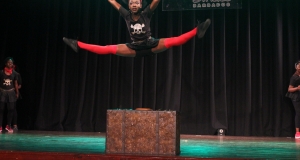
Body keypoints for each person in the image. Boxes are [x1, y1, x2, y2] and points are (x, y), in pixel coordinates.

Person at [63, 0, 211, 57]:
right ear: (129, 5)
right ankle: (77, 44)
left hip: (150, 44)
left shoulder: (146, 13)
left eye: (137, 3)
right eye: (132, 3)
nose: (134, 5)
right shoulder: (126, 15)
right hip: (133, 47)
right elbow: (113, 2)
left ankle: (198, 30)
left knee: (174, 41)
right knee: (106, 49)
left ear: (141, 5)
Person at [0, 57, 19, 133]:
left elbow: (16, 83)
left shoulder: (15, 73)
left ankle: (8, 125)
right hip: (2, 92)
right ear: (5, 63)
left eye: (11, 63)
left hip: (11, 93)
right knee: (1, 109)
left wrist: (17, 92)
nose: (10, 64)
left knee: (11, 109)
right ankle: (0, 126)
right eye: (8, 62)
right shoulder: (1, 72)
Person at [287, 60, 300, 139]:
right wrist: (297, 88)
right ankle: (297, 133)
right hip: (296, 97)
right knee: (298, 113)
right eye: (299, 66)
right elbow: (289, 89)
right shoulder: (294, 77)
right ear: (296, 67)